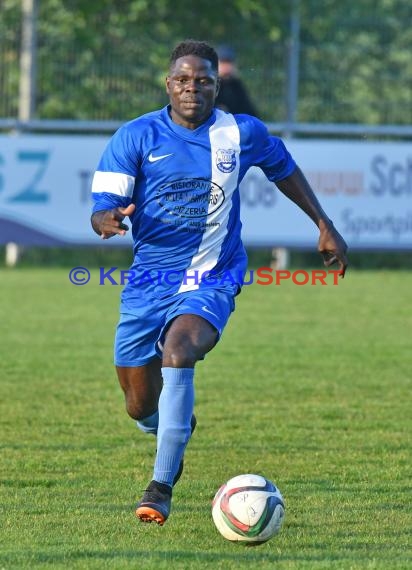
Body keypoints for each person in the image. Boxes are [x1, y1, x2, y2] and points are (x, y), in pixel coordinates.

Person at [90, 39, 348, 526]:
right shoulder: (135, 135)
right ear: (169, 84)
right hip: (150, 278)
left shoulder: (241, 133)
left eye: (203, 79)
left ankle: (159, 486)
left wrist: (324, 223)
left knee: (180, 350)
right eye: (183, 80)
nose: (193, 88)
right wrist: (106, 218)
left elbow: (283, 168)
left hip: (214, 272)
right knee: (138, 404)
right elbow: (105, 202)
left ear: (217, 83)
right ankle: (172, 427)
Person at [215, 44, 259, 116]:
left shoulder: (236, 86)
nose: (227, 67)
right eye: (223, 62)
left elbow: (250, 113)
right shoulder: (211, 85)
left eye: (229, 62)